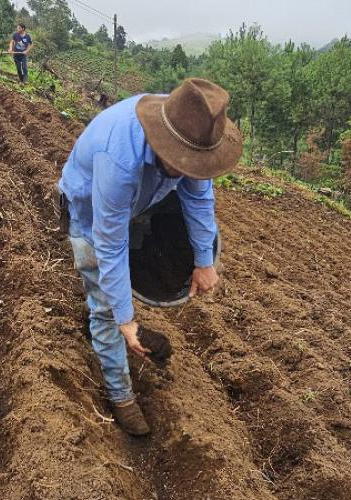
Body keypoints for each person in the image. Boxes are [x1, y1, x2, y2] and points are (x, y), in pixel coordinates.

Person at [57, 78, 243, 435]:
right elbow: (109, 244)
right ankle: (120, 395)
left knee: (142, 253)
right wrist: (127, 321)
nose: (187, 169)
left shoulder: (191, 124)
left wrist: (204, 261)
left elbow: (199, 198)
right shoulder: (118, 158)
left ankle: (112, 309)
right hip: (91, 215)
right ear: (161, 142)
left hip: (140, 202)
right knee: (106, 306)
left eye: (193, 163)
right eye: (180, 161)